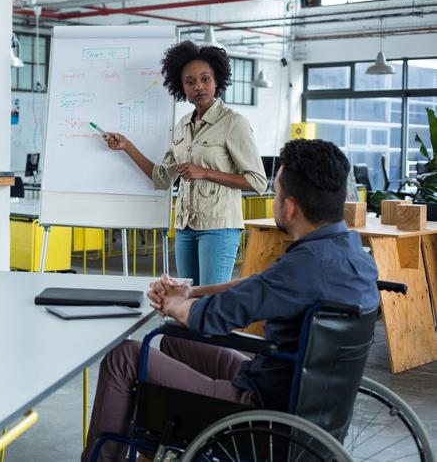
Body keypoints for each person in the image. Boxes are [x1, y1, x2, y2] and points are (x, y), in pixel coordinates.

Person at [82, 140, 379, 462]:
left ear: (290, 207)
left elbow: (209, 318)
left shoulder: (304, 266)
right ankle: (149, 454)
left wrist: (174, 304)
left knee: (125, 356)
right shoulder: (352, 255)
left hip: (259, 410)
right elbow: (261, 284)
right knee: (174, 341)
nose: (275, 202)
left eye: (276, 195)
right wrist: (192, 292)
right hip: (299, 393)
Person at [103, 42, 267, 286]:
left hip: (219, 227)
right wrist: (127, 146)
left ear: (216, 81)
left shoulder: (234, 123)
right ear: (182, 87)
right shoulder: (182, 125)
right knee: (187, 299)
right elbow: (161, 178)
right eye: (190, 82)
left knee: (210, 301)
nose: (198, 86)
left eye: (204, 79)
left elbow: (258, 182)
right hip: (184, 227)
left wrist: (205, 173)